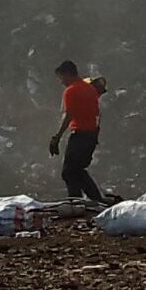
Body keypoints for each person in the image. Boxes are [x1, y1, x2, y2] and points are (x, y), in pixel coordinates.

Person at [50, 60, 107, 202]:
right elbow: (97, 112)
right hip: (91, 136)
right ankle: (94, 200)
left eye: (62, 77)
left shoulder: (70, 91)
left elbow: (69, 115)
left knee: (68, 172)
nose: (61, 82)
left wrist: (57, 137)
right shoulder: (90, 89)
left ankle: (76, 202)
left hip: (80, 135)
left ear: (68, 74)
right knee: (77, 170)